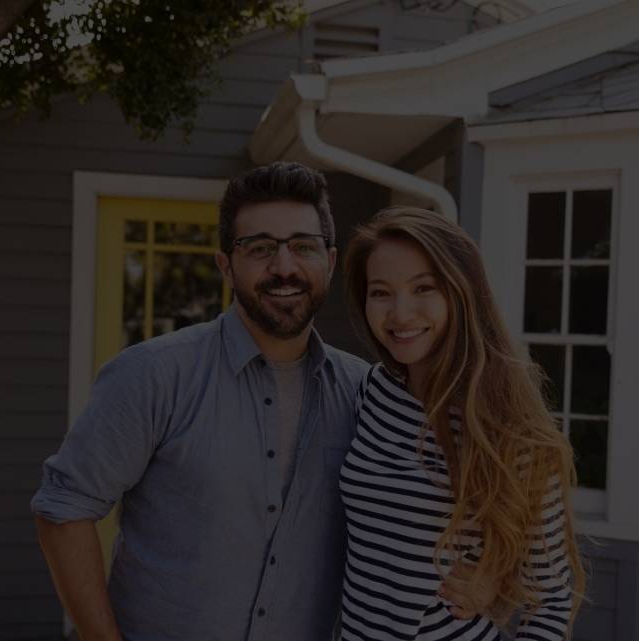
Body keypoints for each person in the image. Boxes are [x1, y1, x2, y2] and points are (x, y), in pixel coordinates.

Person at [31, 162, 488, 641]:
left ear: (330, 262)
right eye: (260, 249)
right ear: (226, 264)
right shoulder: (152, 375)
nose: (285, 267)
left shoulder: (369, 395)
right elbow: (64, 508)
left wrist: (491, 574)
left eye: (304, 247)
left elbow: (449, 507)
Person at [340, 207, 585, 641]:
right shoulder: (371, 391)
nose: (400, 313)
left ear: (461, 293)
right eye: (381, 292)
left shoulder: (510, 430)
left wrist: (499, 580)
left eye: (423, 288)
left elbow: (552, 599)